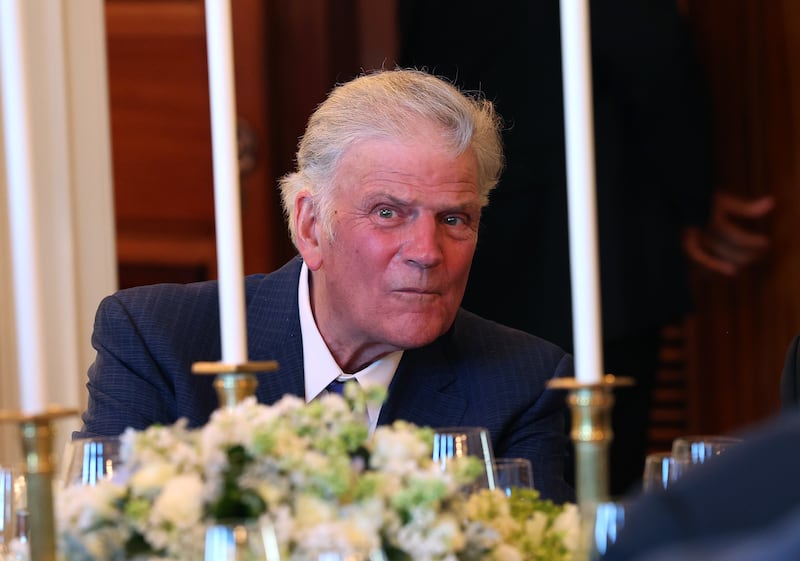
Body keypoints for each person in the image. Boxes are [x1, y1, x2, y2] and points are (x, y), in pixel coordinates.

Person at [77, 68, 575, 504]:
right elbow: (103, 538)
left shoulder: (523, 384)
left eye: (453, 218)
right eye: (387, 213)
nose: (427, 251)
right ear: (311, 226)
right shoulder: (158, 340)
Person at [397, 0, 773, 495]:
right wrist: (693, 202)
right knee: (599, 476)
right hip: (592, 236)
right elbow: (650, 53)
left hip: (478, 241)